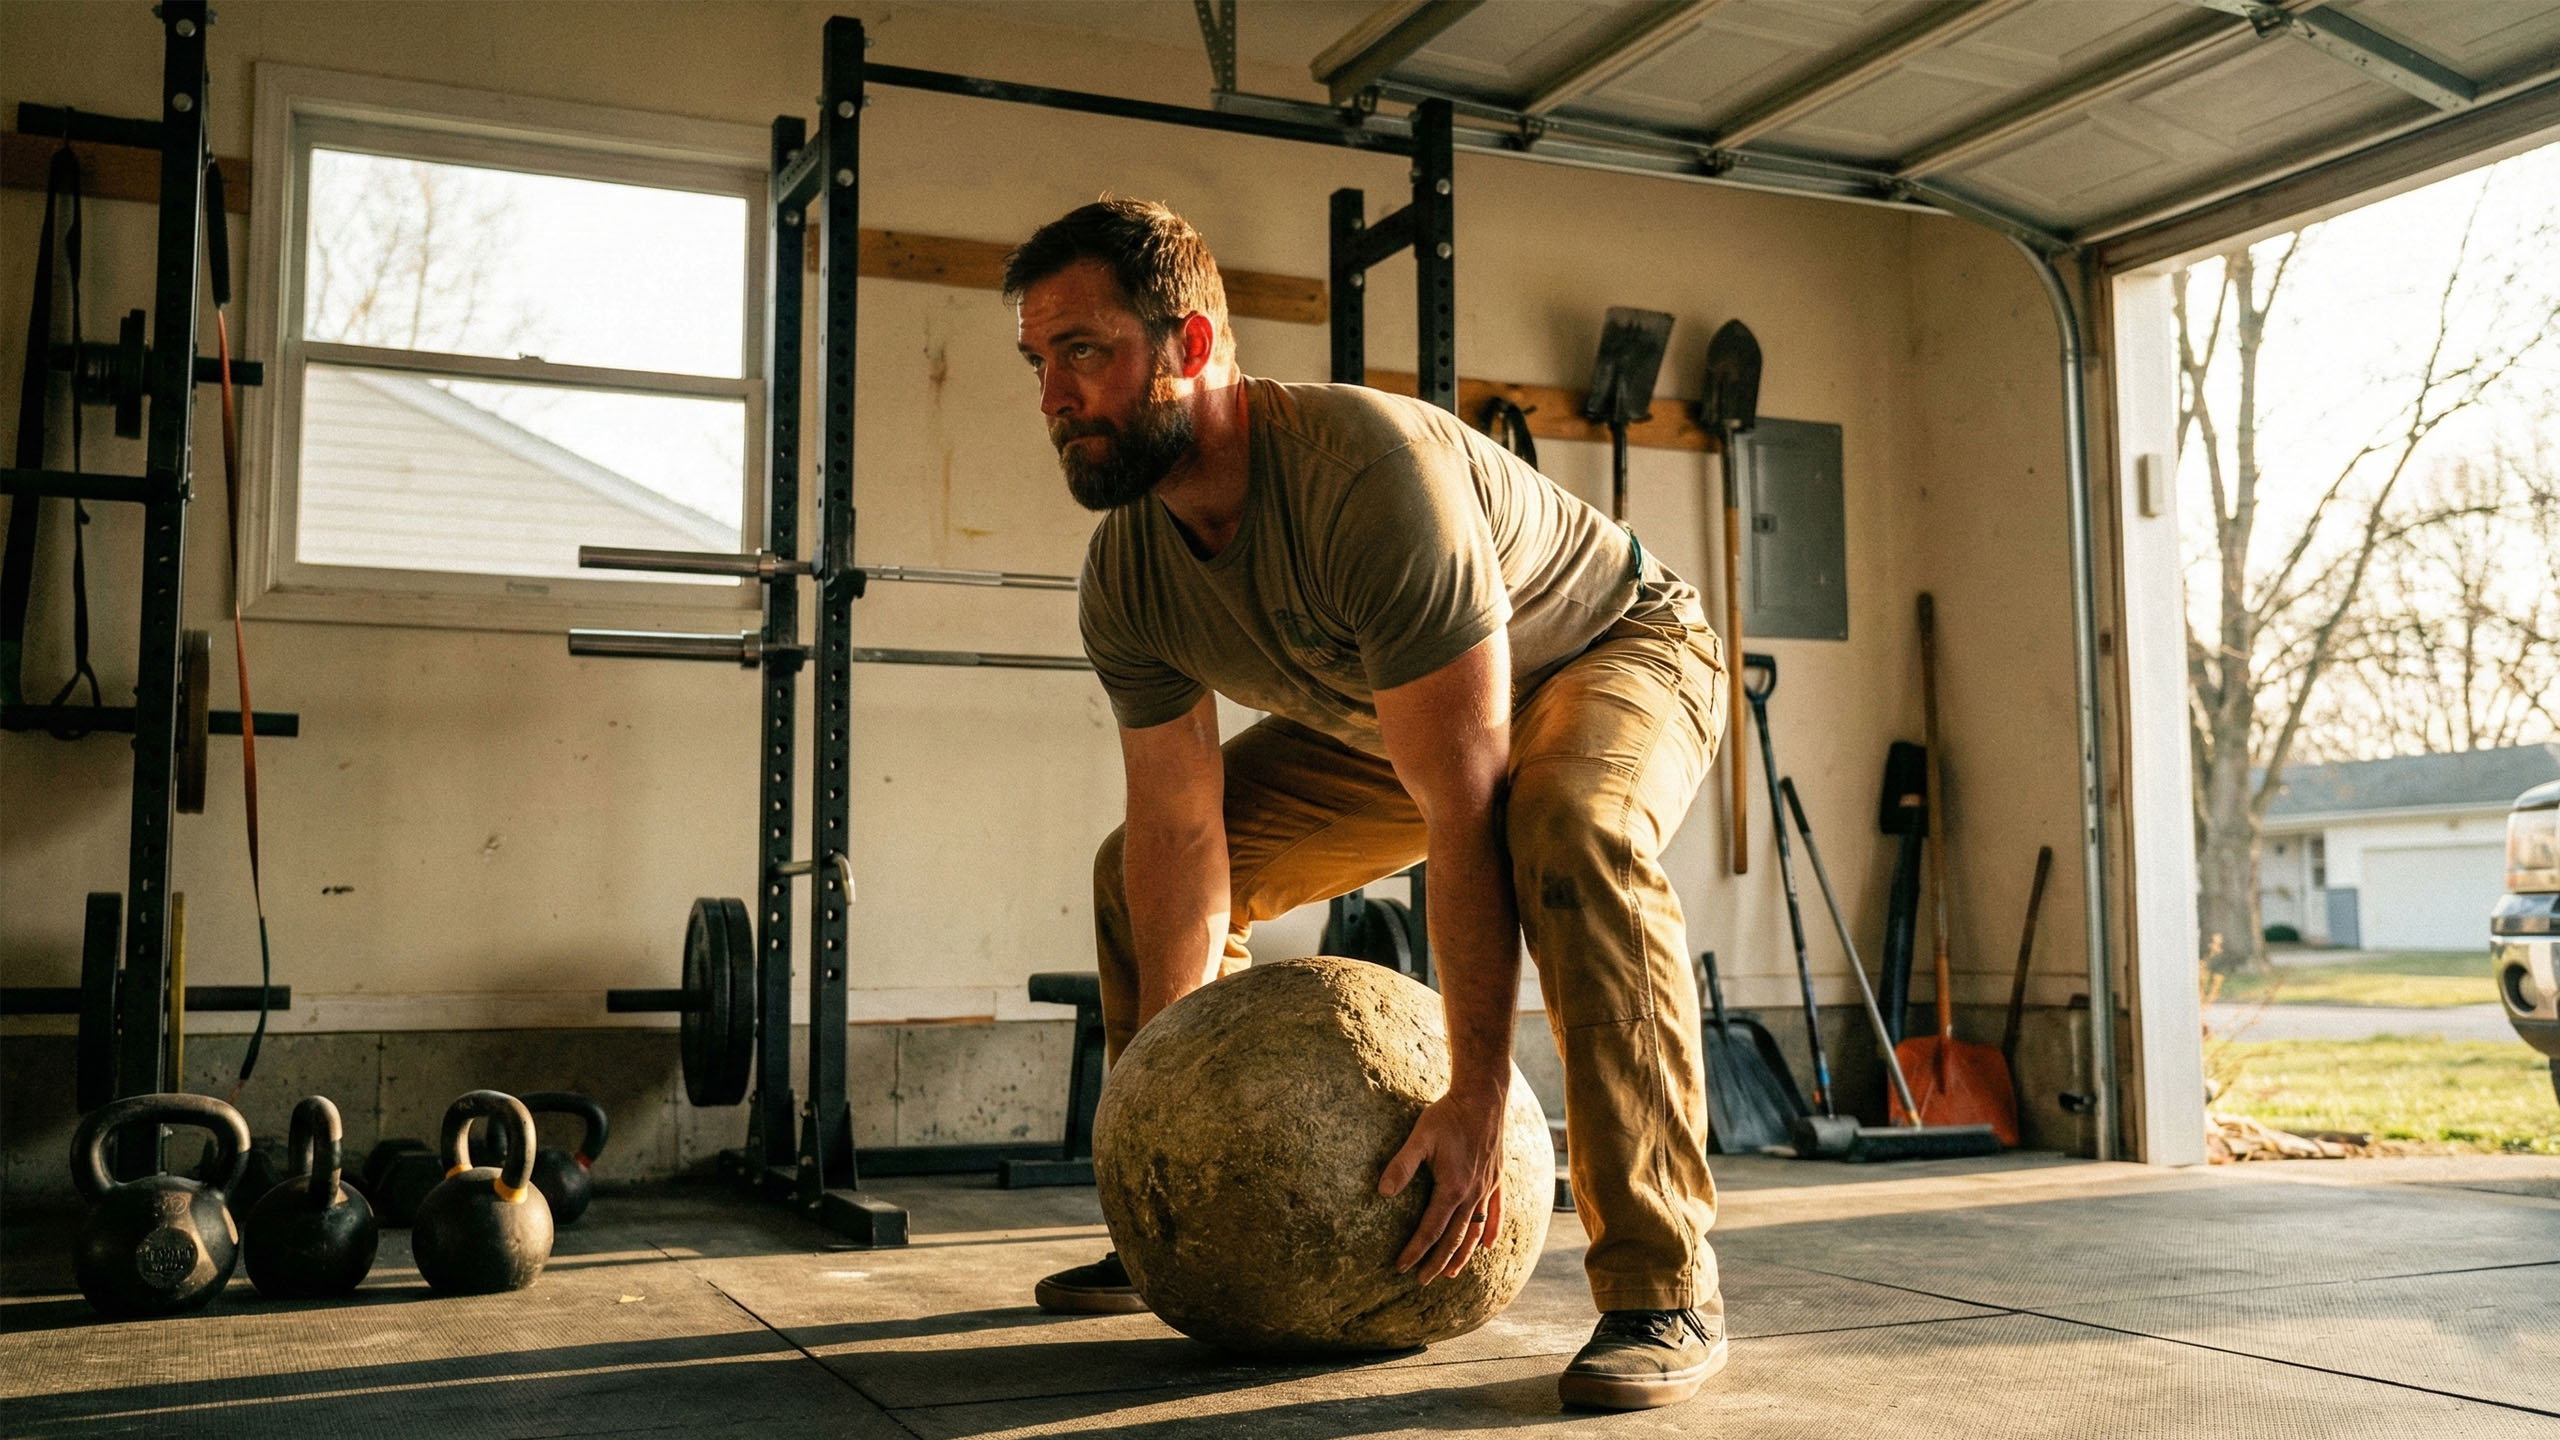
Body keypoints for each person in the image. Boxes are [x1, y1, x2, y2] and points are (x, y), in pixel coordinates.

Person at [1005, 198, 1727, 1412]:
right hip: (1394, 715)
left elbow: (1468, 812)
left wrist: (1474, 1100)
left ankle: (1663, 1284)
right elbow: (1187, 838)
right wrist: (1172, 1123)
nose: (1054, 398)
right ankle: (1162, 1221)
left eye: (1086, 352)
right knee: (1135, 866)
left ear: (1191, 346)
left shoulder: (1369, 479)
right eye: (1039, 362)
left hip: (1613, 654)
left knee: (1567, 828)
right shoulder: (1130, 569)